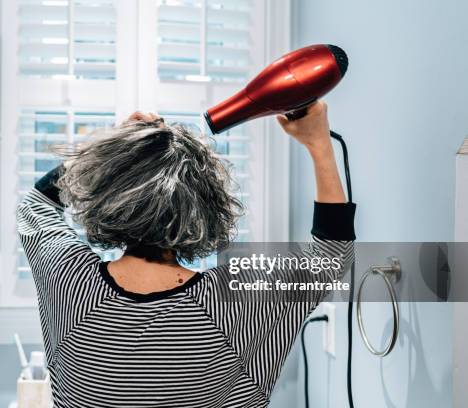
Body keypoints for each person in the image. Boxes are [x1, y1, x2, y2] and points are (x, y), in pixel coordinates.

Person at [17, 101, 355, 407]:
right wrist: (318, 144)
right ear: (206, 205)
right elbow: (333, 258)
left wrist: (118, 151)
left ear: (109, 196)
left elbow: (36, 204)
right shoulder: (234, 304)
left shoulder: (70, 285)